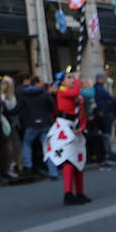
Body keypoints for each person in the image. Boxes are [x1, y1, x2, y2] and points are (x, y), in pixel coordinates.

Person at [47, 73, 90, 205]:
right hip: (64, 127)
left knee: (79, 160)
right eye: (69, 78)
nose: (72, 80)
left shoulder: (78, 97)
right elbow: (75, 91)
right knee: (69, 160)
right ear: (63, 82)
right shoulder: (62, 91)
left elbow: (82, 112)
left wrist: (82, 127)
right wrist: (77, 79)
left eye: (72, 77)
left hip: (74, 127)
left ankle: (80, 192)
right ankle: (68, 193)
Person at [17, 75, 55, 181]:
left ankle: (28, 165)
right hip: (45, 122)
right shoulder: (44, 94)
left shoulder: (25, 95)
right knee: (47, 146)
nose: (42, 84)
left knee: (27, 144)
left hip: (31, 123)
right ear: (37, 83)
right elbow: (52, 106)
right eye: (41, 82)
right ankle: (53, 170)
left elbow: (19, 108)